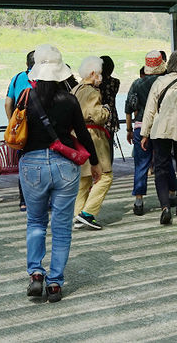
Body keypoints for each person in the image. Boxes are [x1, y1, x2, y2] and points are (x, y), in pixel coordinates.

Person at [19, 44, 100, 302]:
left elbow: (16, 131)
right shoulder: (69, 99)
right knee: (62, 228)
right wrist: (95, 162)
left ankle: (35, 274)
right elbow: (84, 133)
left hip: (31, 165)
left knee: (36, 222)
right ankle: (55, 283)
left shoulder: (25, 97)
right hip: (65, 165)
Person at [140, 50, 177, 225]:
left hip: (161, 129)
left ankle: (165, 207)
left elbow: (150, 110)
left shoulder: (159, 82)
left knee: (161, 169)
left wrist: (144, 133)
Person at [72, 57, 113, 230]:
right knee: (105, 176)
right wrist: (107, 110)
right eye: (100, 74)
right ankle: (87, 213)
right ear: (92, 73)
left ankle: (76, 215)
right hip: (93, 136)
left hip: (75, 135)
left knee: (84, 178)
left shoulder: (75, 89)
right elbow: (98, 116)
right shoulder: (92, 92)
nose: (101, 77)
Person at [124, 50, 166, 216]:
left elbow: (129, 108)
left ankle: (139, 201)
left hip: (140, 127)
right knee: (164, 162)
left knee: (141, 164)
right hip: (162, 127)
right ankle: (170, 194)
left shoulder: (137, 84)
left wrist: (129, 129)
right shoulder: (164, 82)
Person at [4, 50, 35, 210]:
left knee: (23, 164)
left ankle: (24, 201)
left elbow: (8, 103)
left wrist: (12, 125)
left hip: (21, 129)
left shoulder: (17, 78)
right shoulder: (44, 78)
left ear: (26, 63)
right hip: (40, 129)